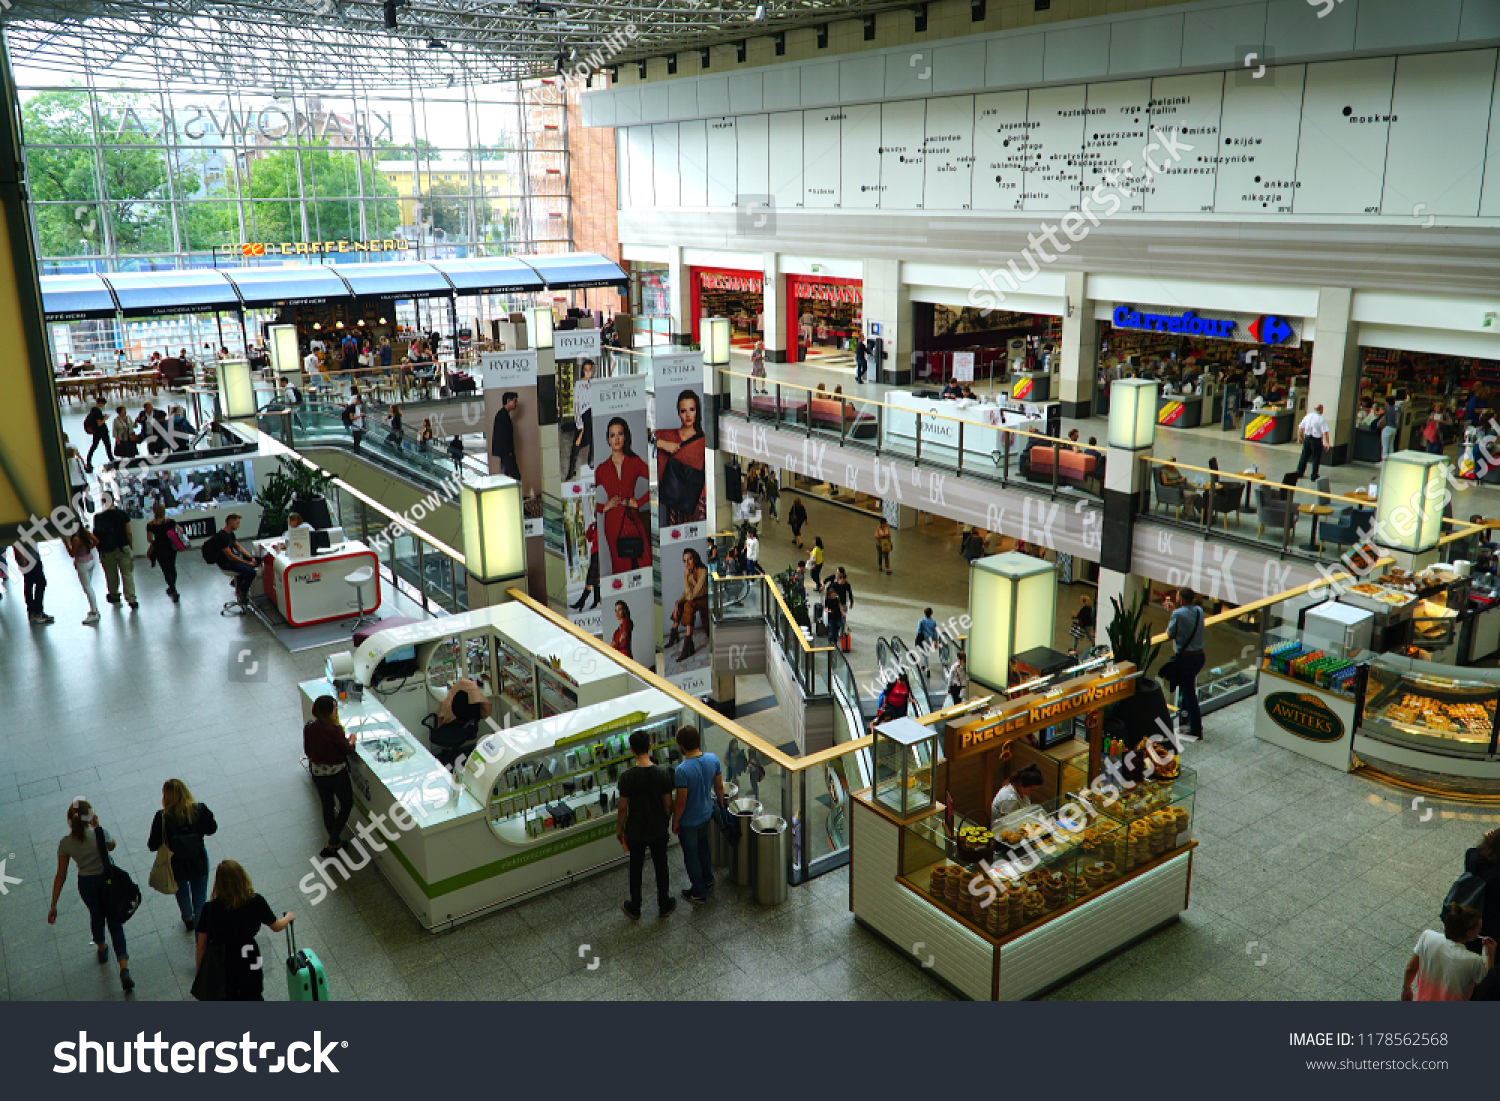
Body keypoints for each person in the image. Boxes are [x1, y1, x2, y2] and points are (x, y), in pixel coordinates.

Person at [49, 798, 135, 991]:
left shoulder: (66, 844)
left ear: (70, 821)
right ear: (90, 817)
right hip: (108, 881)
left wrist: (54, 904)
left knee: (96, 914)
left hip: (87, 884)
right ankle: (124, 967)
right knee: (115, 922)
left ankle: (102, 948)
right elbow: (112, 846)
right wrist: (98, 826)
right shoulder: (99, 834)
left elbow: (61, 875)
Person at [194, 861, 294, 1002]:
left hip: (223, 958)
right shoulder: (256, 901)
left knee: (227, 994)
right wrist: (288, 917)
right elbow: (276, 926)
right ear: (242, 878)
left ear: (219, 883)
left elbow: (201, 944)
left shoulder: (209, 908)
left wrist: (200, 971)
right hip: (250, 953)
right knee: (254, 991)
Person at [617, 729, 677, 919]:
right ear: (650, 747)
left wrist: (620, 829)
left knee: (635, 868)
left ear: (632, 750)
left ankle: (635, 906)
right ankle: (664, 904)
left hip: (635, 829)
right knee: (661, 866)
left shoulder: (627, 777)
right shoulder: (662, 773)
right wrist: (665, 820)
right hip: (658, 827)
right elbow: (669, 804)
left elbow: (622, 808)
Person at [147, 778, 218, 933]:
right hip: (198, 859)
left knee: (181, 891)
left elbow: (152, 845)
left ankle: (187, 918)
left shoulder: (162, 817)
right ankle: (201, 935)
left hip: (175, 862)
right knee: (200, 899)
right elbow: (212, 828)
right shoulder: (199, 809)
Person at [299, 695, 358, 860]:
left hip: (318, 773)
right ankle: (332, 841)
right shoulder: (334, 730)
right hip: (337, 774)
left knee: (327, 805)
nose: (337, 710)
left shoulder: (309, 727)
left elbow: (307, 751)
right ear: (328, 711)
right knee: (346, 804)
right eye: (334, 707)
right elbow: (348, 750)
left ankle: (335, 841)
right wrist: (352, 740)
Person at [672, 724, 725, 904]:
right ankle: (708, 879)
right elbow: (719, 787)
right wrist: (721, 804)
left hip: (689, 820)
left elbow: (680, 802)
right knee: (704, 847)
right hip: (706, 813)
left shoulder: (682, 770)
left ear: (681, 746)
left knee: (691, 855)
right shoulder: (713, 759)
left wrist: (675, 821)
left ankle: (698, 891)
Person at [1403, 903, 1494, 1001]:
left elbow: (1410, 969)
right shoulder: (1474, 961)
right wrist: (1490, 955)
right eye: (1479, 928)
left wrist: (1406, 989)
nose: (1480, 931)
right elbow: (1486, 986)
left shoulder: (1427, 937)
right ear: (1469, 933)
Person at [594, 416, 652, 571]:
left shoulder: (635, 462)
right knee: (620, 569)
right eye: (612, 435)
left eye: (620, 434)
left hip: (633, 519)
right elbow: (582, 495)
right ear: (608, 440)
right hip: (612, 524)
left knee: (646, 563)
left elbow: (659, 480)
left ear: (625, 436)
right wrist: (603, 506)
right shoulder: (602, 469)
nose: (616, 439)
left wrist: (638, 502)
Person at [655, 389, 707, 523]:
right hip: (674, 500)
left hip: (695, 502)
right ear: (678, 413)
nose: (688, 415)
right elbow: (643, 438)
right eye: (684, 411)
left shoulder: (703, 441)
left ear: (697, 411)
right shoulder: (667, 435)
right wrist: (662, 444)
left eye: (692, 409)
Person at [1165, 587, 1207, 742]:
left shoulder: (1177, 614)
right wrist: (1175, 611)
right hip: (1199, 656)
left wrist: (1173, 612)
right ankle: (1184, 716)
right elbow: (1187, 619)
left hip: (1187, 659)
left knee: (1189, 693)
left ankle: (1196, 729)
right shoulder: (1199, 611)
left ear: (1181, 599)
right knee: (1187, 686)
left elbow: (1170, 633)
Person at [92, 492, 137, 610]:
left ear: (102, 501)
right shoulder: (122, 514)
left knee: (111, 574)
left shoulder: (98, 517)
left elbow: (96, 536)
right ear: (113, 500)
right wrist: (130, 546)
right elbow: (129, 533)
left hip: (107, 550)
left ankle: (114, 595)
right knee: (127, 574)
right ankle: (131, 599)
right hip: (123, 548)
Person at [204, 512, 258, 606]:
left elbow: (239, 547)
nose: (239, 525)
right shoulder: (221, 537)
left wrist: (250, 558)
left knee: (257, 560)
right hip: (226, 563)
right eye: (237, 523)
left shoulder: (230, 534)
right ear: (230, 522)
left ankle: (239, 582)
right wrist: (248, 563)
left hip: (231, 560)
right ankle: (242, 593)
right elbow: (230, 556)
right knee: (251, 572)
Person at [667, 547, 709, 661]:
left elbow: (692, 595)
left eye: (689, 559)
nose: (687, 563)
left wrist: (685, 579)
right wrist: (677, 603)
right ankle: (674, 634)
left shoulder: (703, 571)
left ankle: (688, 644)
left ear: (695, 559)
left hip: (705, 600)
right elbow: (686, 594)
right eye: (684, 561)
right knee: (682, 604)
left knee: (688, 605)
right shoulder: (688, 573)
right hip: (695, 600)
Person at [144, 501, 181, 603]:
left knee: (166, 569)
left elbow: (149, 539)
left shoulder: (150, 525)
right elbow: (180, 531)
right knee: (172, 567)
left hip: (160, 548)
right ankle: (173, 586)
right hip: (171, 547)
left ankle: (172, 589)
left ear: (154, 511)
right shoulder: (170, 522)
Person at [990, 764, 1045, 830]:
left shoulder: (1021, 791)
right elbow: (1010, 824)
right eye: (1032, 790)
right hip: (1004, 829)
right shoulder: (1009, 799)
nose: (1033, 793)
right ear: (1021, 784)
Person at [566, 358, 595, 480]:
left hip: (592, 414)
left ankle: (590, 462)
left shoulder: (594, 383)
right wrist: (579, 422)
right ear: (583, 370)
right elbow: (576, 404)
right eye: (586, 369)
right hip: (583, 415)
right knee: (577, 442)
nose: (588, 372)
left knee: (592, 440)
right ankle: (571, 469)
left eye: (590, 369)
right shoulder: (579, 384)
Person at [12, 538, 52, 625]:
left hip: (30, 557)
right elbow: (16, 543)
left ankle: (33, 611)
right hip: (30, 559)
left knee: (30, 583)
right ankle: (37, 611)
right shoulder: (21, 528)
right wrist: (23, 560)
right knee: (40, 582)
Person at [66, 528, 101, 625]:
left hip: (82, 564)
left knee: (88, 588)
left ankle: (94, 612)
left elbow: (72, 554)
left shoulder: (75, 539)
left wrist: (65, 543)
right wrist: (89, 547)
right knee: (89, 587)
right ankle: (94, 609)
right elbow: (96, 541)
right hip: (90, 560)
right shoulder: (85, 532)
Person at [1295, 402, 1331, 480]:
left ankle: (1300, 472)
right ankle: (1314, 475)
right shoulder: (1321, 419)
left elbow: (1300, 427)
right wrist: (1327, 443)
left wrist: (1299, 437)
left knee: (1304, 456)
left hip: (1307, 438)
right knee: (1316, 457)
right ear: (1321, 409)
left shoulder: (1308, 416)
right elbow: (1325, 432)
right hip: (1316, 440)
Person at [490, 391, 522, 479]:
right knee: (515, 476)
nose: (516, 403)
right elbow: (503, 436)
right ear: (508, 400)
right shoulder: (503, 416)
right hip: (506, 453)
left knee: (505, 475)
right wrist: (508, 452)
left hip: (505, 452)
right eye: (514, 401)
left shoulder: (502, 415)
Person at [83, 396, 112, 470]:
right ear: (101, 403)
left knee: (94, 446)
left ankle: (88, 461)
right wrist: (105, 418)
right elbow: (99, 423)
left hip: (96, 432)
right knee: (107, 445)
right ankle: (111, 459)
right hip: (101, 431)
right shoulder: (98, 411)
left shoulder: (92, 410)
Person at [824, 579, 847, 649]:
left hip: (837, 616)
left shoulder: (837, 600)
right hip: (831, 617)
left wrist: (843, 612)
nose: (835, 595)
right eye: (833, 594)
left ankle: (834, 641)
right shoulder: (827, 600)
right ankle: (831, 639)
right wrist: (828, 611)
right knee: (832, 629)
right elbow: (825, 608)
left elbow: (840, 606)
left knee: (837, 629)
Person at [915, 606, 939, 672]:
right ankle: (924, 664)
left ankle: (927, 667)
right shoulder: (934, 623)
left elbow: (919, 631)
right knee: (926, 652)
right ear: (931, 613)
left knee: (924, 653)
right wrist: (936, 643)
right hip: (930, 639)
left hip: (923, 638)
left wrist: (917, 637)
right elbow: (935, 633)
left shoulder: (921, 621)